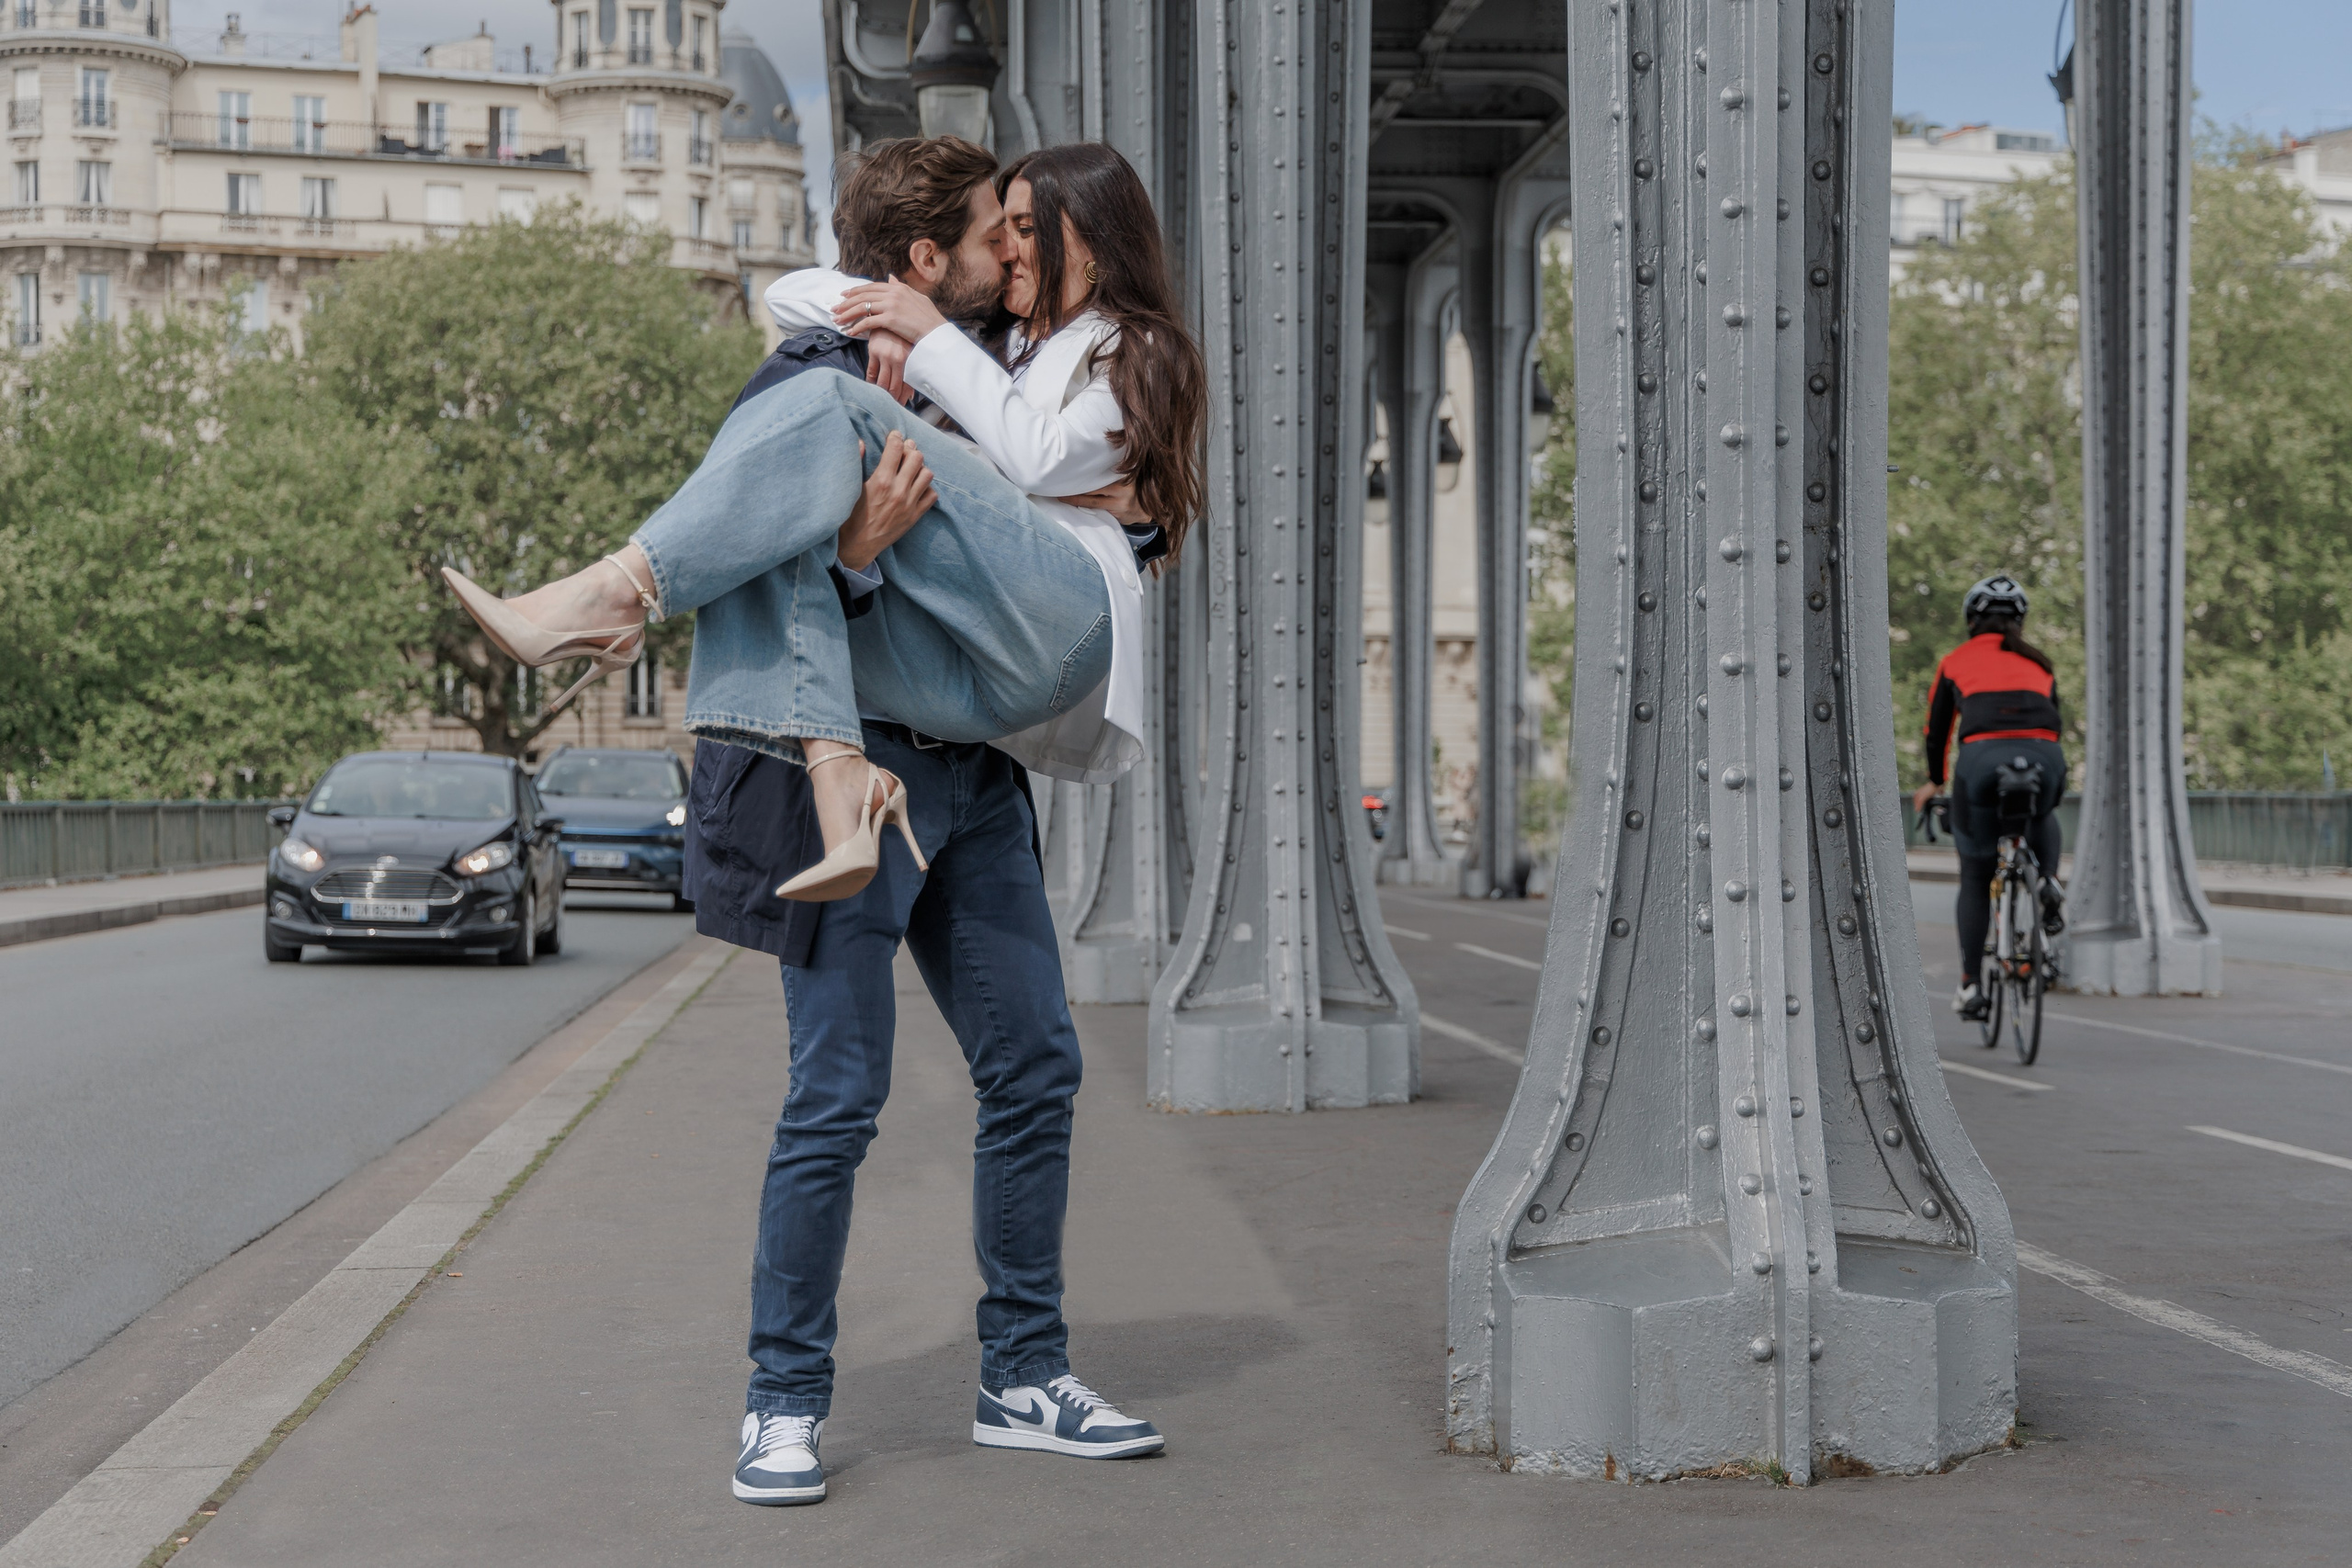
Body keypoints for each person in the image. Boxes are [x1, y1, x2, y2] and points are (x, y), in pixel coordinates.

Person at [443, 140, 1204, 907]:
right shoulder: (997, 344)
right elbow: (790, 292)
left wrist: (924, 332)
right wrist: (888, 318)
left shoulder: (1134, 345)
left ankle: (616, 593)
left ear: (1092, 238)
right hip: (983, 656)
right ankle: (838, 770)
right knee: (775, 543)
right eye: (1000, 229)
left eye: (1028, 228)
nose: (1009, 250)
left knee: (832, 407)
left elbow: (1037, 456)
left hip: (1061, 617)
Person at [1910, 576, 2068, 1019]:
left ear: (1972, 620)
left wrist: (1934, 780)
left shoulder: (1956, 660)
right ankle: (2049, 880)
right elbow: (2054, 720)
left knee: (1977, 876)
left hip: (1981, 760)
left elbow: (1936, 730)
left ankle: (1971, 986)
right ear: (2019, 621)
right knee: (2042, 807)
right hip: (2045, 755)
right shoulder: (2040, 662)